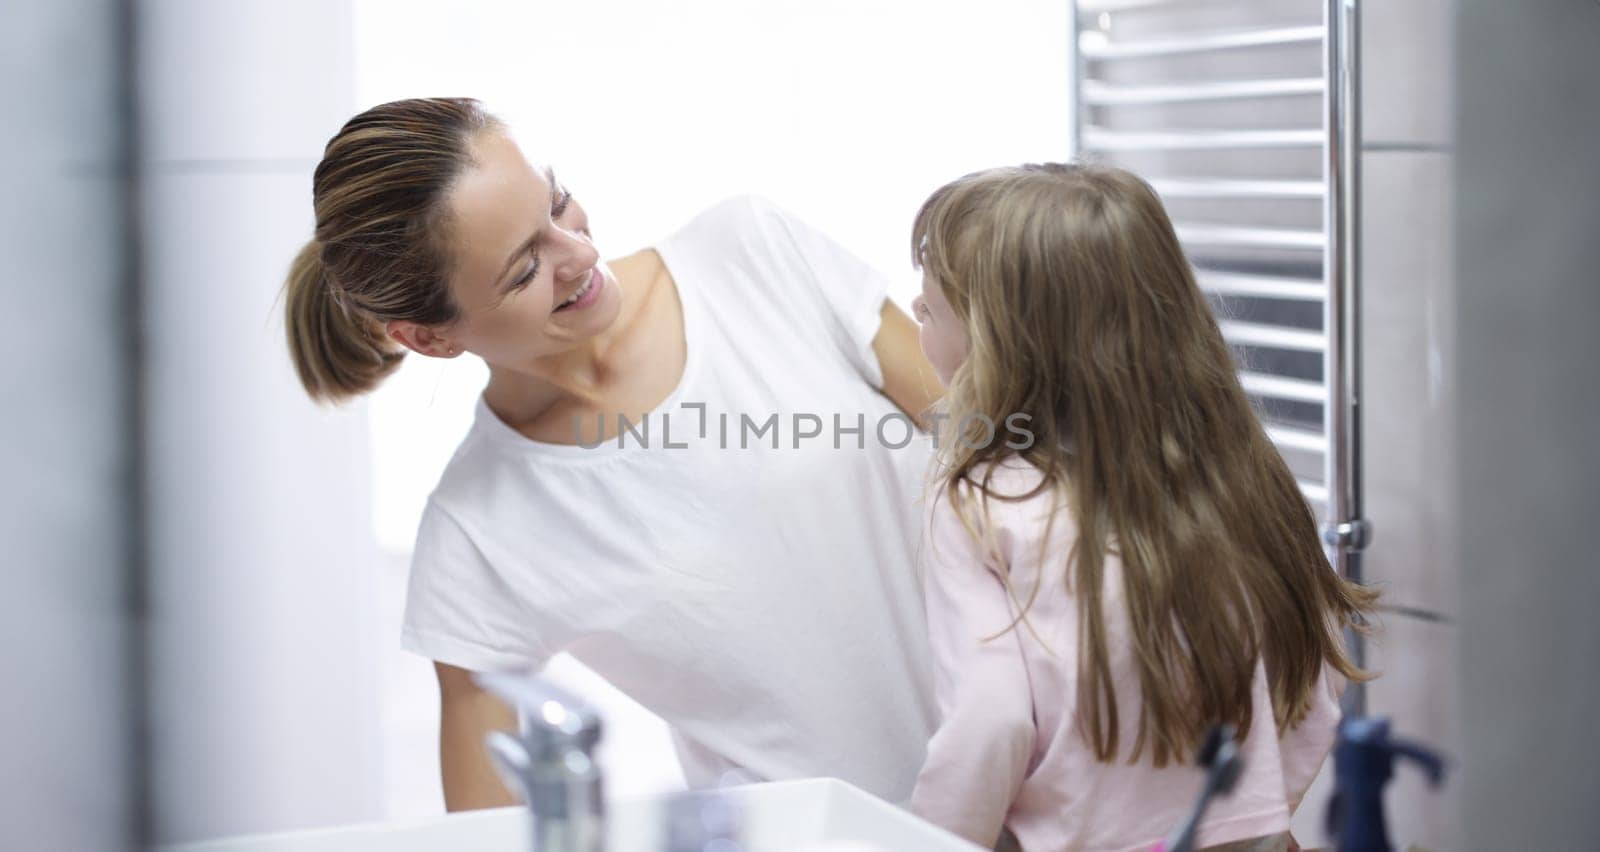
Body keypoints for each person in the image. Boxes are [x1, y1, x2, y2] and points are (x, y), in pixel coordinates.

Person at [282, 97, 945, 810]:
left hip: (1058, 785)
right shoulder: (478, 533)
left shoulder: (754, 253)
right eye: (523, 268)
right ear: (431, 339)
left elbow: (998, 448)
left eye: (558, 204)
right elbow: (492, 831)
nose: (580, 254)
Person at [904, 163, 1378, 851]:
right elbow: (1316, 664)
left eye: (929, 310)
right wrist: (1249, 812)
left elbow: (993, 721)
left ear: (1000, 340)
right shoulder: (1236, 474)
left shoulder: (984, 502)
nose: (916, 319)